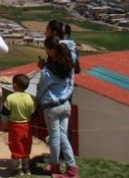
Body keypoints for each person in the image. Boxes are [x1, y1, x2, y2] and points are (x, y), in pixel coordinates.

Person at [36, 37, 77, 178]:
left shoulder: (48, 70)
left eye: (46, 49)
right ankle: (72, 169)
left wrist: (38, 102)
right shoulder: (68, 64)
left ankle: (54, 166)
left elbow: (42, 87)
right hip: (65, 104)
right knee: (63, 136)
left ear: (52, 50)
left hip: (51, 106)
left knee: (54, 137)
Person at [4, 73, 36, 176]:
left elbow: (5, 114)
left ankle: (18, 169)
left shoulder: (10, 98)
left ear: (16, 85)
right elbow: (34, 113)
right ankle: (27, 168)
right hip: (27, 126)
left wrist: (4, 125)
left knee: (15, 147)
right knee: (26, 146)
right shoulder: (30, 98)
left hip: (14, 126)